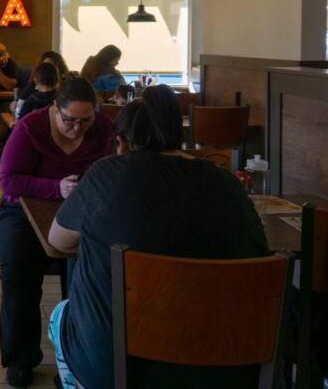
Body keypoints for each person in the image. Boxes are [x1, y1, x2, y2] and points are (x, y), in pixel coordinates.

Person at [46, 85, 268, 389]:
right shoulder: (228, 183)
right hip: (231, 368)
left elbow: (57, 240)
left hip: (119, 371)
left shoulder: (107, 174)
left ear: (121, 144)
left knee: (61, 313)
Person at [0, 76, 114, 388]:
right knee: (18, 270)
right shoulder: (30, 127)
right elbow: (8, 182)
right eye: (69, 120)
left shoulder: (102, 127)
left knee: (90, 274)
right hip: (21, 211)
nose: (77, 128)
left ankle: (76, 359)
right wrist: (56, 187)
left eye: (85, 121)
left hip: (84, 212)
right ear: (54, 109)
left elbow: (112, 169)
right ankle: (21, 357)